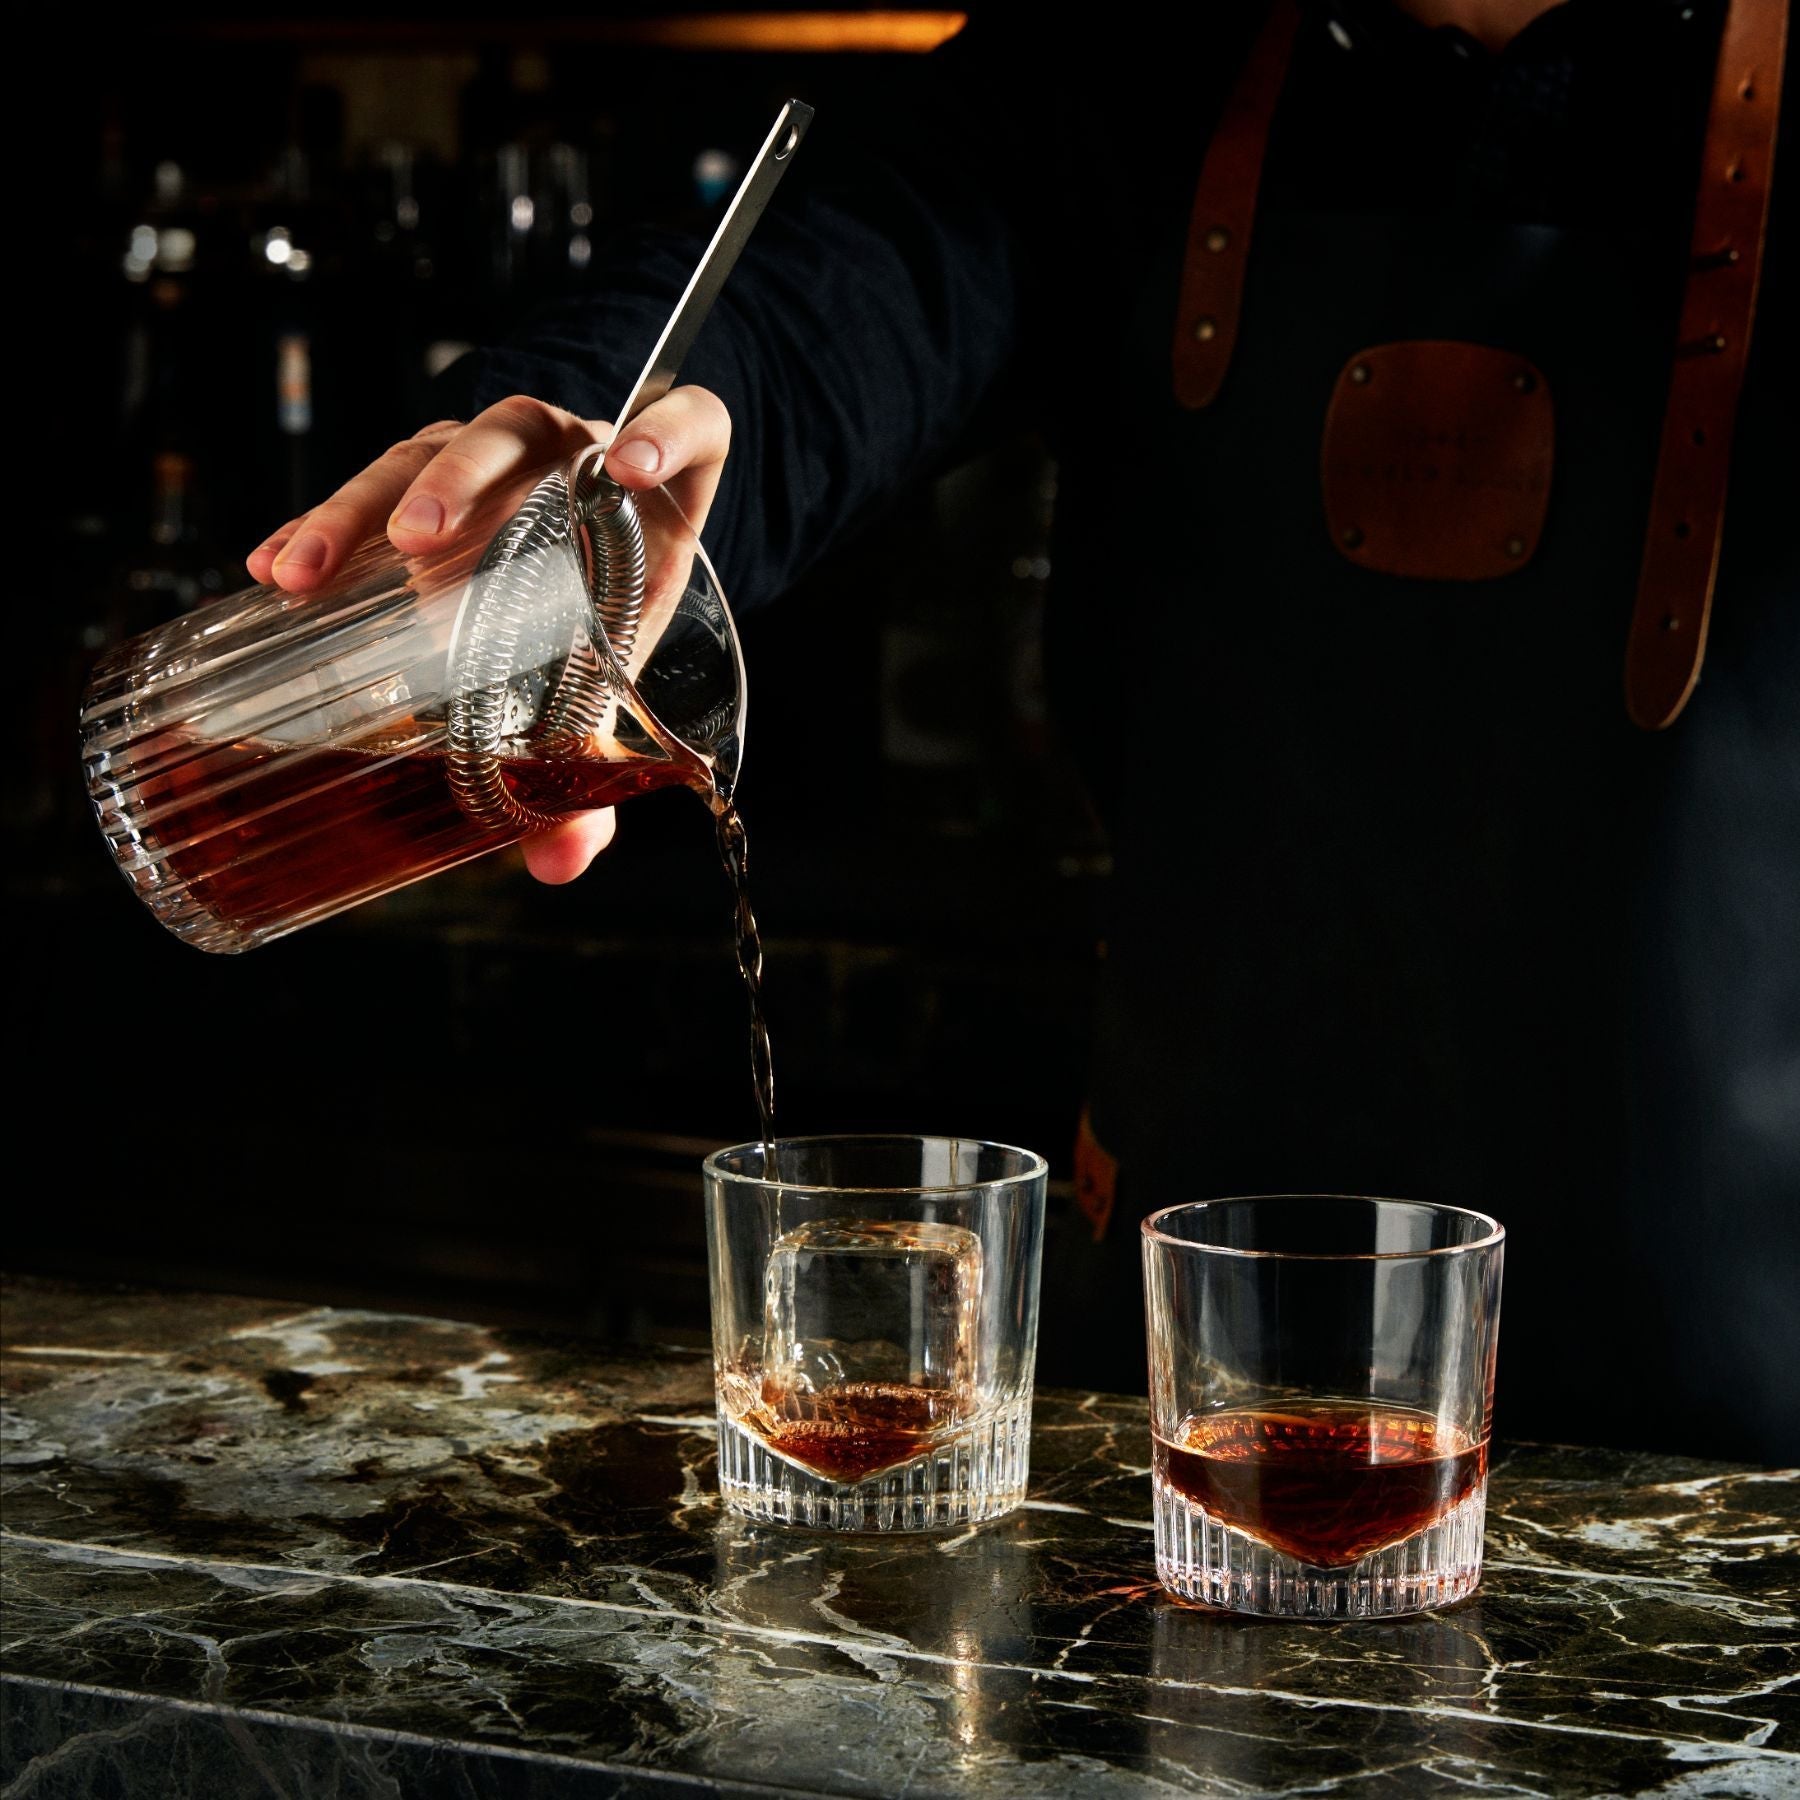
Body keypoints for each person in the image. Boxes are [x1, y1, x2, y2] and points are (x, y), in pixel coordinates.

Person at [248, 0, 1798, 1463]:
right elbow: (802, 313)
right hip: (1193, 1431)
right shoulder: (1137, 44)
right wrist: (568, 468)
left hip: (1754, 1456)